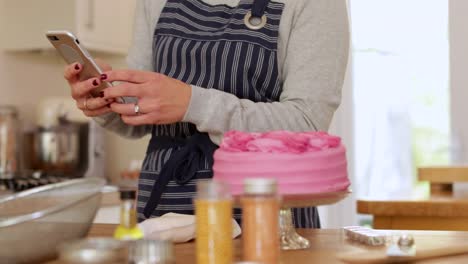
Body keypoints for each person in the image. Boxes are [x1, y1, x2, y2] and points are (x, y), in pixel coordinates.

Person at [64, 0, 349, 228]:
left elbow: (307, 122)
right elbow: (137, 118)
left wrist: (193, 102)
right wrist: (105, 99)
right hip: (163, 211)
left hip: (269, 211)